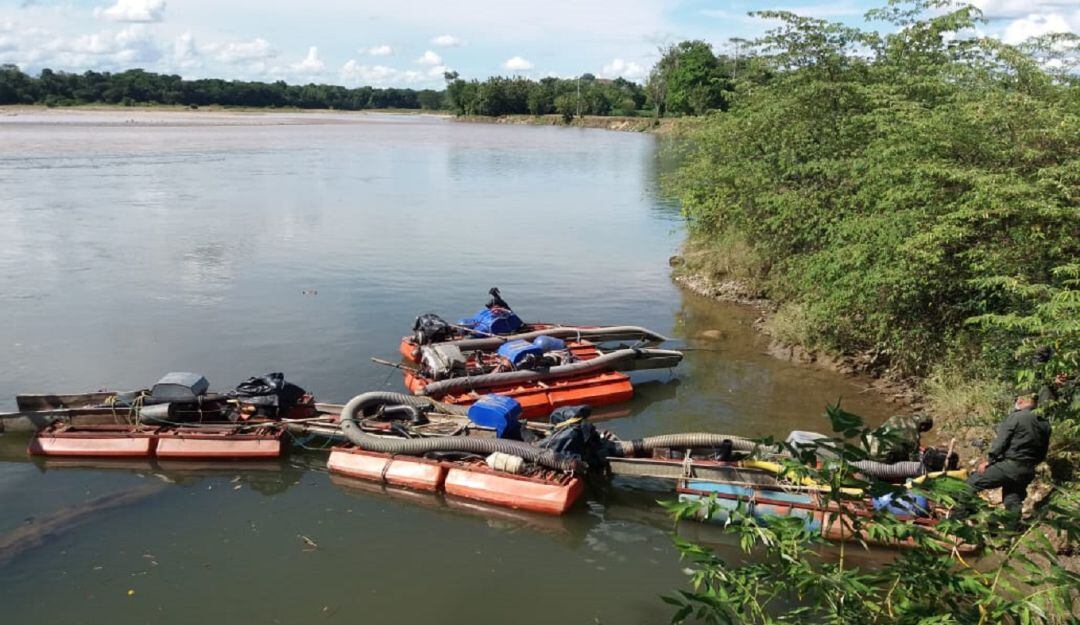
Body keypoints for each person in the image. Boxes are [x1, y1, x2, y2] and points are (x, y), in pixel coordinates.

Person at [966, 394, 1052, 517]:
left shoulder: (1016, 417)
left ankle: (960, 519)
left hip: (1010, 466)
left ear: (1021, 400)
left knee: (970, 484)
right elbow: (1043, 452)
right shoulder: (1044, 423)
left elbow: (1001, 442)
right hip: (1028, 470)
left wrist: (989, 460)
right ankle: (1012, 528)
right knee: (1012, 498)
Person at [866, 414, 934, 463]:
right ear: (923, 426)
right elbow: (914, 460)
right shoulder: (914, 434)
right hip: (880, 455)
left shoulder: (896, 417)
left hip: (867, 445)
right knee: (905, 452)